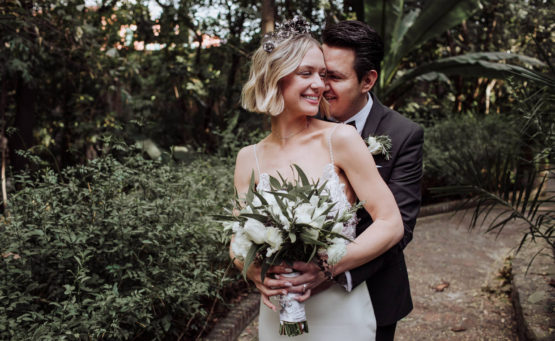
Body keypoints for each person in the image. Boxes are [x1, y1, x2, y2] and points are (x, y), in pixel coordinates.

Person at [230, 17, 404, 340]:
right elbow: (237, 242)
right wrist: (255, 272)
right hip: (277, 315)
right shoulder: (247, 158)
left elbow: (391, 223)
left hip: (340, 315)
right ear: (275, 76)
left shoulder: (341, 139)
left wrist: (328, 266)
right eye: (306, 73)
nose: (320, 85)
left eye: (322, 75)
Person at [290, 20, 424, 341]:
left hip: (374, 293)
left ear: (368, 80)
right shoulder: (299, 122)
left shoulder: (403, 135)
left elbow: (399, 228)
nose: (322, 87)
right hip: (305, 300)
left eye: (334, 77)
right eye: (321, 74)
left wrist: (329, 272)